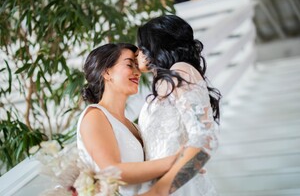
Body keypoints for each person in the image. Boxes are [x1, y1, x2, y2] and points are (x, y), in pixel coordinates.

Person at [76, 43, 179, 196]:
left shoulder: (135, 127)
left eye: (138, 67)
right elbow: (111, 171)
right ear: (106, 72)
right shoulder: (95, 116)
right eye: (130, 65)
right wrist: (176, 161)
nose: (138, 73)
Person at [136, 14, 222, 195]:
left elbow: (205, 138)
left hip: (179, 187)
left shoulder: (180, 71)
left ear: (155, 46)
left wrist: (158, 190)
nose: (138, 53)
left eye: (141, 46)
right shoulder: (166, 81)